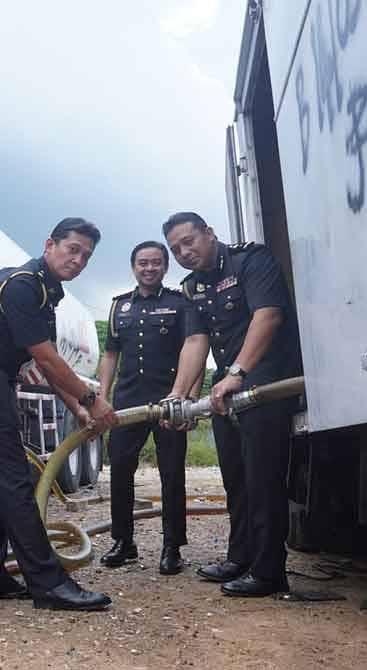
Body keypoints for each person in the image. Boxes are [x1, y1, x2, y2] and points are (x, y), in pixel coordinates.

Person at [0, 217, 117, 611]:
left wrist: (76, 409)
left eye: (86, 256)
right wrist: (93, 401)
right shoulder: (24, 284)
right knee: (15, 480)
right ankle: (49, 584)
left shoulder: (45, 289)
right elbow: (47, 359)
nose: (78, 260)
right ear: (50, 244)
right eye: (73, 250)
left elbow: (47, 361)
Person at [163, 212, 302, 597]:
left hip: (266, 383)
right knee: (236, 480)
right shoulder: (192, 287)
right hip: (225, 390)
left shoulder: (251, 260)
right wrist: (178, 394)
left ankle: (269, 572)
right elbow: (196, 341)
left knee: (262, 481)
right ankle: (240, 557)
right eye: (176, 249)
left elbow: (268, 316)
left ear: (209, 233)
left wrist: (239, 371)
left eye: (189, 241)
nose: (184, 252)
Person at [97, 241, 207, 575]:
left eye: (156, 263)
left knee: (171, 473)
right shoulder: (119, 307)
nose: (149, 268)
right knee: (120, 470)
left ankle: (172, 547)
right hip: (127, 402)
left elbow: (195, 348)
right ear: (134, 267)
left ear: (165, 267)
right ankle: (123, 542)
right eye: (143, 263)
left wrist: (190, 400)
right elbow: (110, 355)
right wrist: (102, 396)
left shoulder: (180, 303)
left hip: (169, 402)